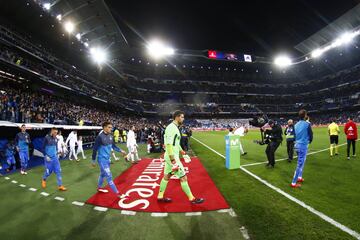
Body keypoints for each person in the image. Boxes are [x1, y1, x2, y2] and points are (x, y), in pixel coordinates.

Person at [157, 110, 203, 204]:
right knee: (183, 177)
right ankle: (192, 199)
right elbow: (169, 145)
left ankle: (160, 196)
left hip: (171, 156)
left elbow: (176, 143)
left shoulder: (174, 127)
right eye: (182, 117)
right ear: (177, 117)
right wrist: (173, 160)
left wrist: (183, 152)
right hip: (172, 157)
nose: (183, 118)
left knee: (167, 176)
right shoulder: (171, 128)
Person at [92, 122, 127, 195]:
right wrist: (93, 160)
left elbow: (113, 146)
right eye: (109, 127)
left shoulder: (111, 136)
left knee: (102, 174)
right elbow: (94, 149)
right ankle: (118, 193)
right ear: (104, 127)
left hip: (108, 159)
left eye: (111, 127)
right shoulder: (99, 137)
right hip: (102, 160)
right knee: (109, 176)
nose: (111, 129)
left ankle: (99, 188)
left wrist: (121, 151)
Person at [291, 109, 313, 188]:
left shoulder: (296, 125)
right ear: (305, 115)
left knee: (302, 161)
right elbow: (311, 136)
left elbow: (294, 136)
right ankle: (293, 182)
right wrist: (309, 141)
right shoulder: (307, 124)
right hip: (303, 146)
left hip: (296, 145)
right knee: (300, 164)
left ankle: (299, 177)